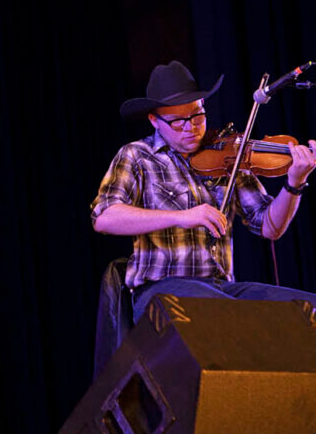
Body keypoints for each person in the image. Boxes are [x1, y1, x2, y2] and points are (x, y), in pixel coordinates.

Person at [92, 60, 316, 322]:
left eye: (197, 115)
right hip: (161, 290)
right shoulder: (137, 156)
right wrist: (182, 216)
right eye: (177, 121)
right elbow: (104, 217)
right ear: (154, 120)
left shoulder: (229, 154)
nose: (191, 127)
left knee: (308, 309)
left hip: (222, 288)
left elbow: (270, 226)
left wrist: (295, 183)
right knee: (219, 310)